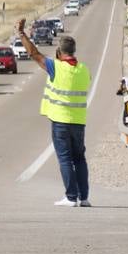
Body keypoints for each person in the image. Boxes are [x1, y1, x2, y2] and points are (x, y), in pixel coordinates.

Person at [17, 17, 91, 207]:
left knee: (65, 159)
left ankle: (71, 197)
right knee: (79, 159)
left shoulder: (56, 67)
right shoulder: (83, 70)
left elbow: (34, 53)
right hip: (79, 121)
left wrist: (22, 34)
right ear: (73, 51)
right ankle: (84, 198)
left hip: (60, 121)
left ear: (59, 52)